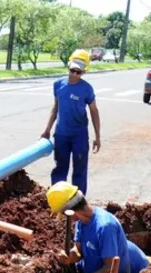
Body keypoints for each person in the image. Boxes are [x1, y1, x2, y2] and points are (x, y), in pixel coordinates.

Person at [41, 49, 101, 196]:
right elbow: (55, 107)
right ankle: (57, 198)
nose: (74, 74)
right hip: (61, 135)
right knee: (60, 168)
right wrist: (47, 129)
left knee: (80, 170)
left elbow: (94, 111)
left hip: (79, 135)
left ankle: (78, 203)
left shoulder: (86, 89)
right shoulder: (58, 85)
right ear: (68, 66)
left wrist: (97, 136)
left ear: (84, 72)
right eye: (72, 70)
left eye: (78, 72)